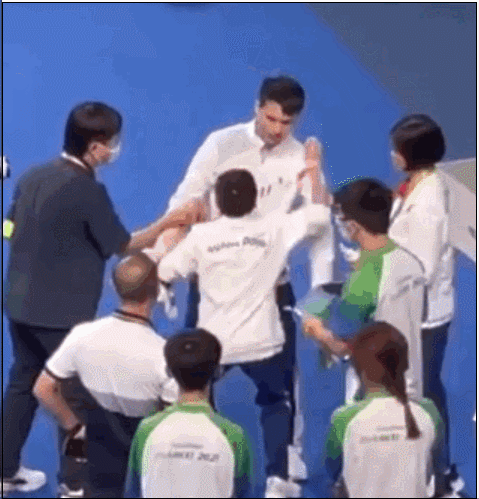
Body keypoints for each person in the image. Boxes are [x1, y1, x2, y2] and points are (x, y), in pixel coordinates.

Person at [2, 102, 202, 496]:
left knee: (22, 383)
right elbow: (123, 245)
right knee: (72, 398)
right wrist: (168, 222)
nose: (115, 149)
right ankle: (74, 484)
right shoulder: (88, 191)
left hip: (18, 306)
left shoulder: (31, 176)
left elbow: (8, 228)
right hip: (60, 316)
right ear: (95, 148)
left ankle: (4, 470)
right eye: (112, 142)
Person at [159, 74, 336, 482]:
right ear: (257, 107)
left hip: (272, 284)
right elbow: (186, 196)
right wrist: (169, 245)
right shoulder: (221, 144)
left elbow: (321, 229)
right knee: (195, 376)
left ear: (296, 120)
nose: (277, 130)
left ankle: (287, 453)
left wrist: (318, 304)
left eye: (286, 123)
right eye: (271, 119)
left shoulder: (300, 158)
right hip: (214, 278)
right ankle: (200, 447)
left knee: (283, 383)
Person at [151, 168, 330, 498]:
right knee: (276, 402)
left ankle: (209, 473)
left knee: (202, 401)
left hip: (213, 345)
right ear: (256, 198)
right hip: (264, 341)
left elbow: (166, 269)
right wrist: (313, 169)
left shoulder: (202, 236)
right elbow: (319, 216)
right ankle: (277, 479)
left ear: (217, 203)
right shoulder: (276, 226)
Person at [33, 253, 179, 498]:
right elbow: (172, 422)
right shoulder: (163, 355)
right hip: (142, 462)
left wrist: (74, 428)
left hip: (96, 456)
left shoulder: (82, 335)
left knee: (71, 384)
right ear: (156, 291)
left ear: (114, 287)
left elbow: (43, 389)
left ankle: (72, 486)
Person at [388, 114, 463, 495]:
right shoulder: (420, 184)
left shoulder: (428, 205)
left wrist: (376, 267)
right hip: (417, 310)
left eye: (397, 149)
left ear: (409, 156)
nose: (391, 154)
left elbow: (422, 268)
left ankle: (442, 474)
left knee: (426, 392)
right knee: (424, 388)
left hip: (423, 315)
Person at [302, 179, 426, 403]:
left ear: (353, 226)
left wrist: (316, 329)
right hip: (411, 386)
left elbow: (343, 348)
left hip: (372, 396)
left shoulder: (362, 284)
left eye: (340, 217)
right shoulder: (410, 263)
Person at [124, 329, 253, 498]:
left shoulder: (147, 429)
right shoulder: (233, 435)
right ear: (217, 372)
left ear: (169, 372)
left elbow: (133, 492)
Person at [325, 321, 445, 499]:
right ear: (404, 365)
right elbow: (438, 467)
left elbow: (333, 470)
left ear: (359, 370)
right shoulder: (428, 412)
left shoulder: (344, 418)